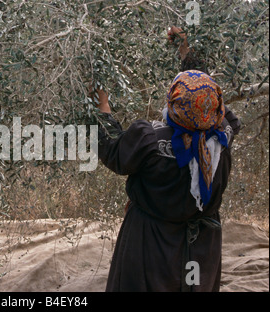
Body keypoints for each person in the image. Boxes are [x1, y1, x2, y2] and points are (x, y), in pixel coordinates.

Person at [94, 26, 241, 291]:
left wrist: (102, 104)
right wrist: (187, 52)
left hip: (150, 246)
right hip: (200, 252)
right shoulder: (222, 136)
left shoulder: (149, 139)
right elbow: (205, 100)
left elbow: (111, 150)